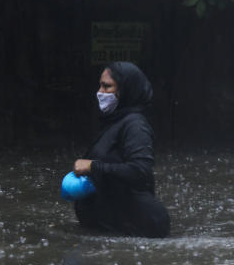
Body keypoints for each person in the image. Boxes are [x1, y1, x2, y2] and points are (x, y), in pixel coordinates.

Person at [71, 61, 170, 238]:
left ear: (125, 90)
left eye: (107, 86)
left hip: (139, 228)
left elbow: (140, 170)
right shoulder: (113, 123)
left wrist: (93, 166)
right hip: (112, 228)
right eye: (100, 85)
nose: (100, 92)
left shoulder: (135, 125)